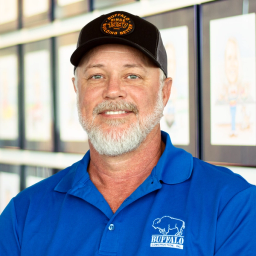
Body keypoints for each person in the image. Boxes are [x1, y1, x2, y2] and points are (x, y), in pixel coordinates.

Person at [0, 11, 256, 256]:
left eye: (132, 76)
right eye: (96, 76)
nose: (113, 90)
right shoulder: (23, 214)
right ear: (77, 90)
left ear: (164, 93)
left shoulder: (233, 205)